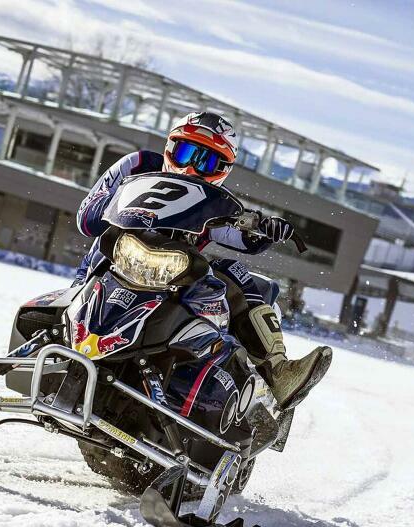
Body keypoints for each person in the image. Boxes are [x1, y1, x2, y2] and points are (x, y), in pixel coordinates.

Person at [72, 111, 332, 411]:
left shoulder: (213, 203)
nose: (191, 167)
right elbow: (87, 219)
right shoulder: (139, 165)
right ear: (170, 147)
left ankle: (276, 371)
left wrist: (264, 230)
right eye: (184, 152)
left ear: (222, 169)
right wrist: (121, 203)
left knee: (232, 272)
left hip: (170, 286)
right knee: (53, 305)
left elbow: (240, 239)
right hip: (110, 265)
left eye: (206, 161)